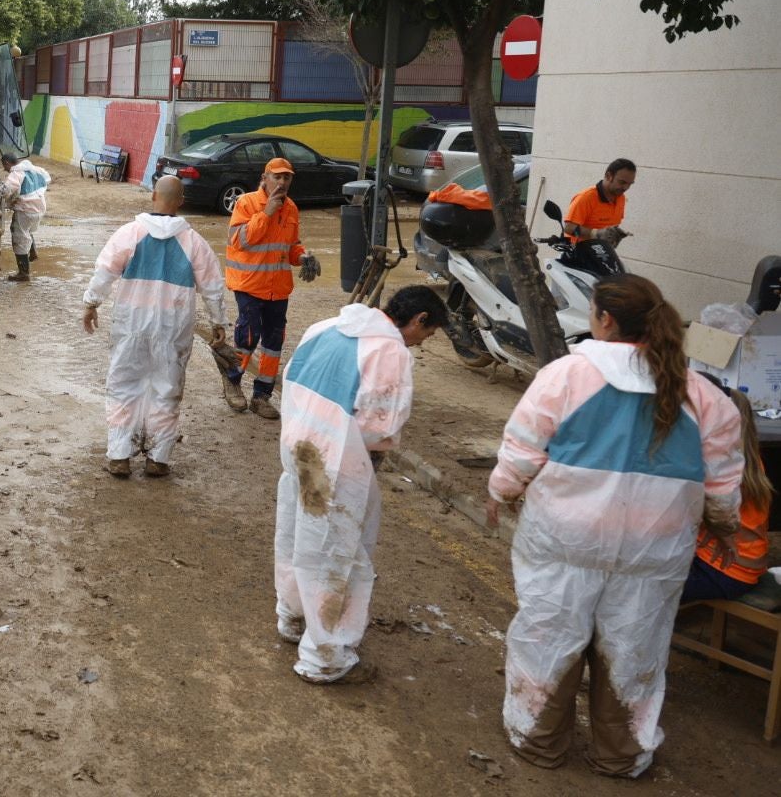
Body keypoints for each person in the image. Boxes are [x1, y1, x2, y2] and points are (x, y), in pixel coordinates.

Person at [488, 273, 742, 777]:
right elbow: (723, 487)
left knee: (549, 638)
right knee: (635, 649)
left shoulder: (566, 375)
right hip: (655, 549)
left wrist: (502, 493)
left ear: (604, 319)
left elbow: (522, 450)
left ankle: (539, 740)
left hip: (565, 539)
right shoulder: (704, 396)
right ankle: (621, 753)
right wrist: (725, 530)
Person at [274, 286, 446, 684]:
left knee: (296, 534)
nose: (423, 343)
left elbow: (292, 375)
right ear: (419, 319)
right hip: (339, 463)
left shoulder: (327, 327)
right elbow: (380, 425)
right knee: (337, 553)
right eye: (429, 333)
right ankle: (325, 655)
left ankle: (292, 615)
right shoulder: (390, 352)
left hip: (299, 447)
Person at [82, 176, 226, 479]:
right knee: (167, 389)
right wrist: (218, 321)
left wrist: (91, 303)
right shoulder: (194, 242)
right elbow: (212, 286)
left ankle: (120, 456)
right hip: (173, 328)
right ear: (181, 202)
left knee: (123, 385)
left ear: (153, 197)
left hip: (131, 324)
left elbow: (105, 270)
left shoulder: (129, 233)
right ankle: (158, 459)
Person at [221, 157, 320, 418]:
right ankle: (232, 380)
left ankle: (261, 396)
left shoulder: (292, 209)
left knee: (274, 342)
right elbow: (239, 240)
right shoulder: (247, 203)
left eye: (287, 177)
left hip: (278, 288)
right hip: (249, 284)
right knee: (248, 336)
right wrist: (266, 214)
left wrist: (303, 257)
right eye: (277, 176)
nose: (283, 181)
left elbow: (289, 248)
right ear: (265, 178)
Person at [683, 388, 773, 601]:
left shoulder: (719, 463)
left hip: (723, 569)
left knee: (639, 588)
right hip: (746, 566)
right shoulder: (749, 459)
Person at [0, 150, 50, 283]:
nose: (4, 169)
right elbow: (47, 179)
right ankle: (32, 251)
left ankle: (23, 273)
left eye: (4, 166)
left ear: (6, 163)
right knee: (27, 230)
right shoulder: (34, 169)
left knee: (18, 237)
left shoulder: (16, 173)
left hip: (25, 209)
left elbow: (7, 190)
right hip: (39, 208)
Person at [563, 157, 635, 246]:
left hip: (602, 251)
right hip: (577, 252)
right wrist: (596, 233)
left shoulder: (621, 198)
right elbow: (568, 228)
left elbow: (611, 225)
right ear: (609, 176)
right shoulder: (586, 197)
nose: (626, 188)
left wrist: (616, 233)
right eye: (622, 182)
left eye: (630, 184)